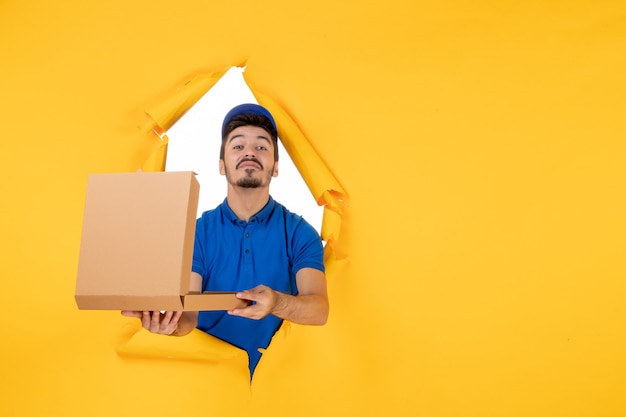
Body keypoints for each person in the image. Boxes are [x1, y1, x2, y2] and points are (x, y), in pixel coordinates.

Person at [122, 103, 329, 376]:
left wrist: (278, 303)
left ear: (275, 167)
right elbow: (188, 315)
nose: (250, 153)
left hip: (280, 380)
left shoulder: (299, 232)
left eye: (262, 147)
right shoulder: (196, 233)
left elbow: (319, 310)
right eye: (238, 146)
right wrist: (169, 326)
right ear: (222, 165)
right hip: (212, 381)